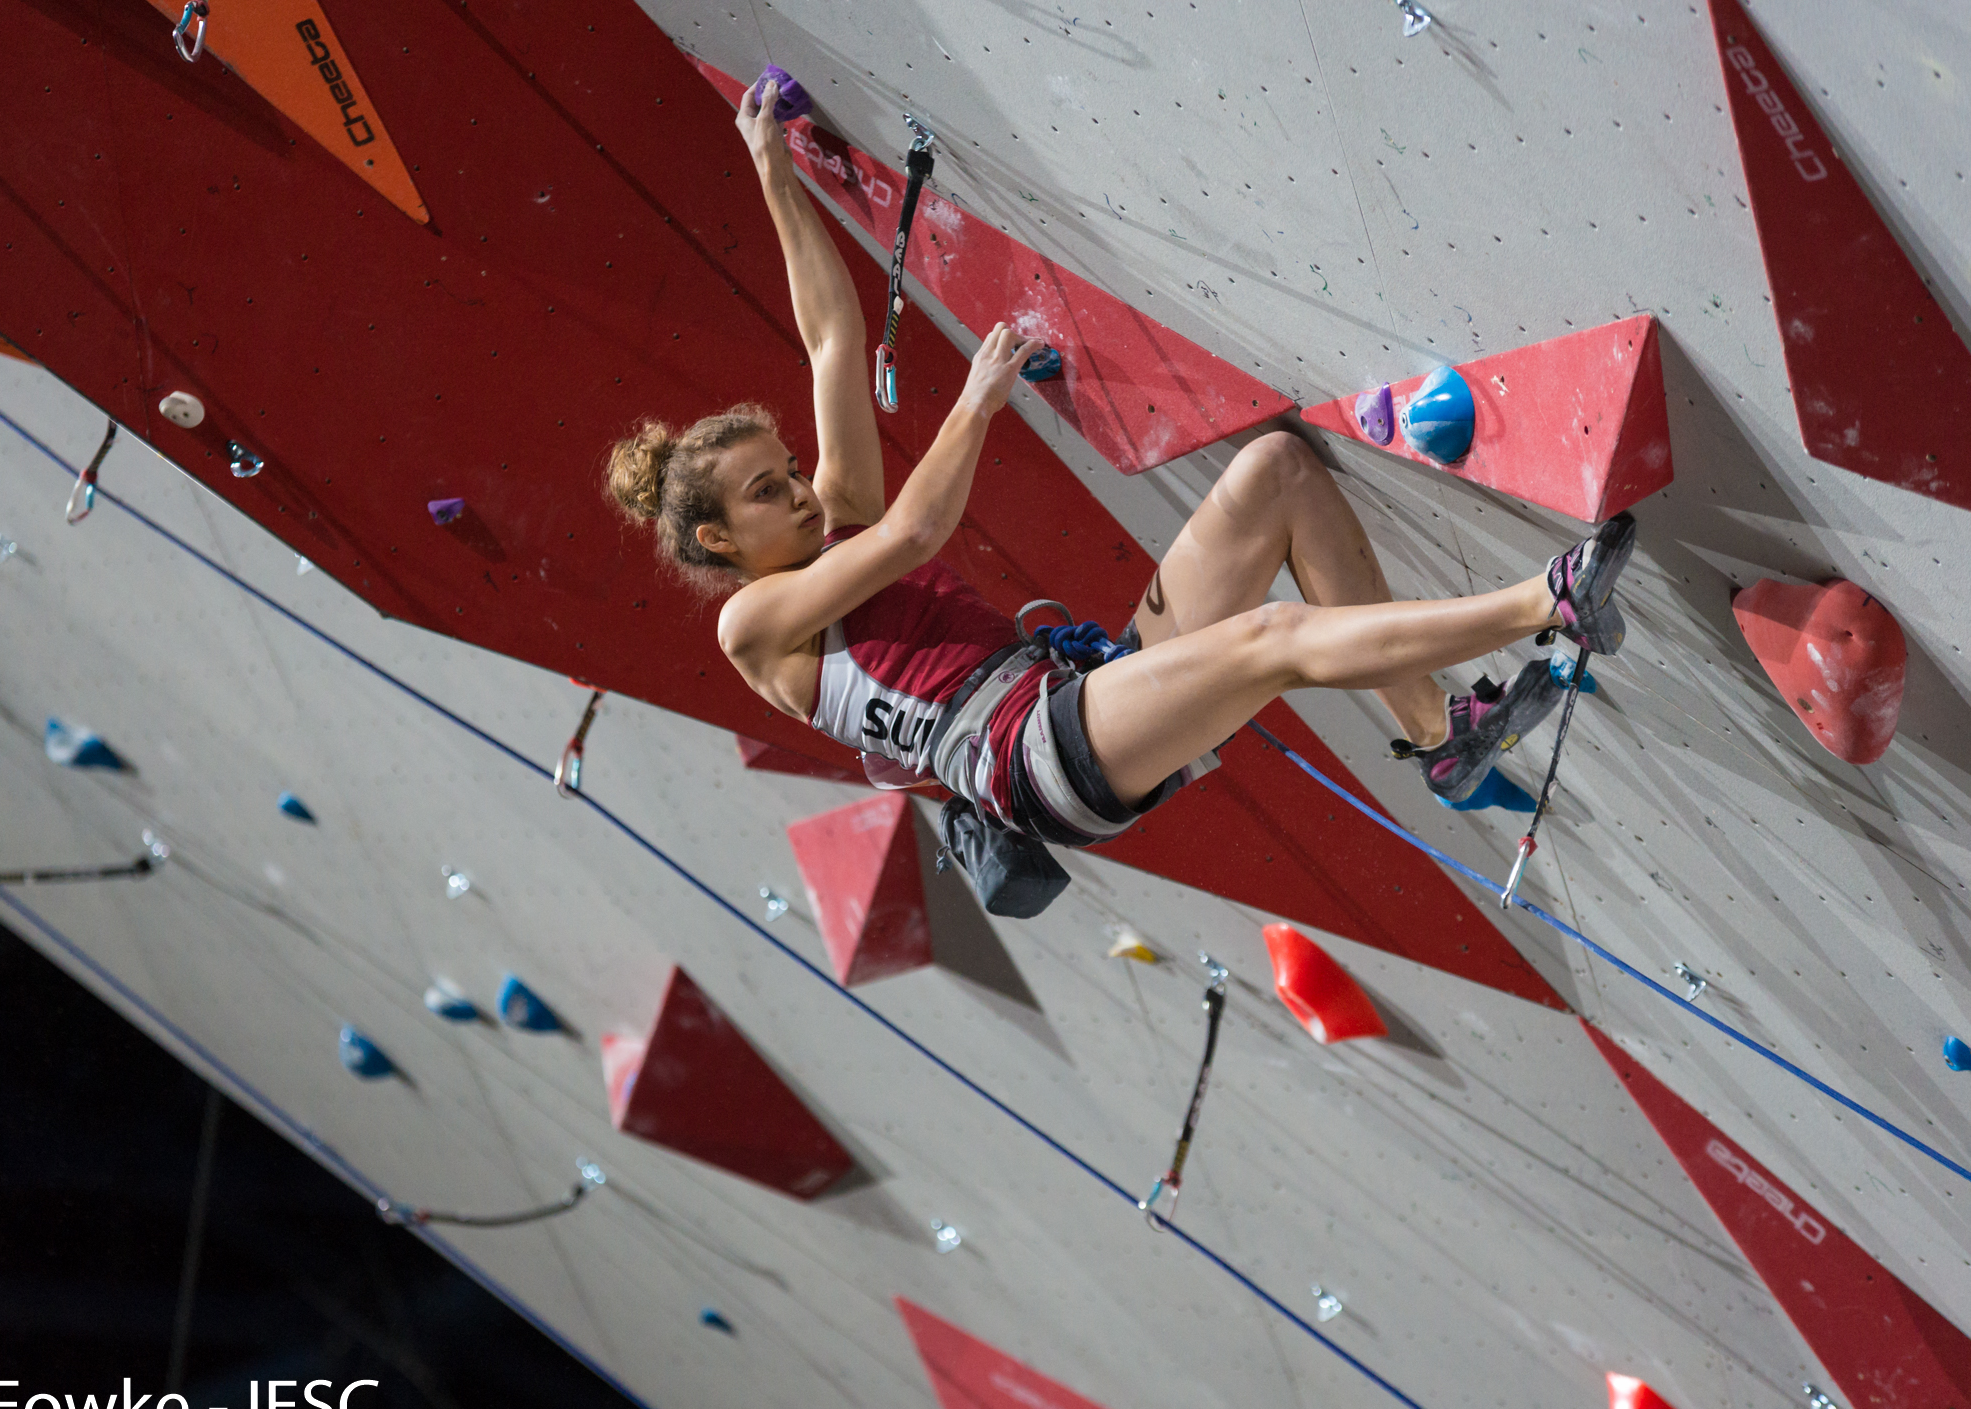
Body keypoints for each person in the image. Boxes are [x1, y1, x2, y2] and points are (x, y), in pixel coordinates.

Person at [603, 76, 1634, 850]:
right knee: (1274, 638)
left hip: (1074, 688)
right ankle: (1545, 605)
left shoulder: (832, 517)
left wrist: (772, 170)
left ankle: (1442, 742)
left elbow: (831, 342)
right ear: (715, 540)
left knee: (1275, 474)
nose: (798, 486)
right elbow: (919, 530)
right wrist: (973, 404)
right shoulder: (755, 627)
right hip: (1028, 762)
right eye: (766, 492)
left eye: (785, 466)